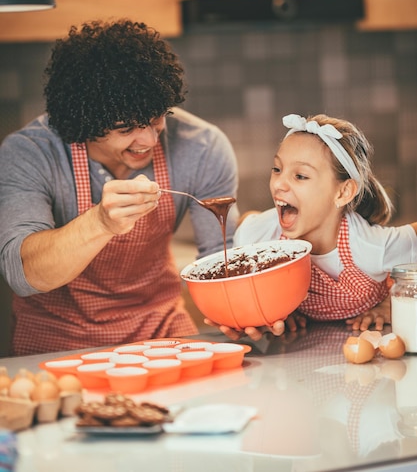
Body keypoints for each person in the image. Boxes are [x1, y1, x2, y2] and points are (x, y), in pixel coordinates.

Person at [0, 19, 239, 356]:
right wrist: (100, 223)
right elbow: (23, 274)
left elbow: (221, 257)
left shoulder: (202, 147)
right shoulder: (30, 153)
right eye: (126, 127)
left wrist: (251, 314)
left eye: (156, 117)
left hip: (161, 330)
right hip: (55, 339)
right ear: (82, 121)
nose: (149, 139)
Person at [212, 113, 417, 341]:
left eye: (300, 176)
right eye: (277, 169)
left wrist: (392, 303)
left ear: (343, 192)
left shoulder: (371, 246)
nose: (278, 184)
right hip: (303, 349)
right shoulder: (261, 236)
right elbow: (246, 224)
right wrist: (273, 310)